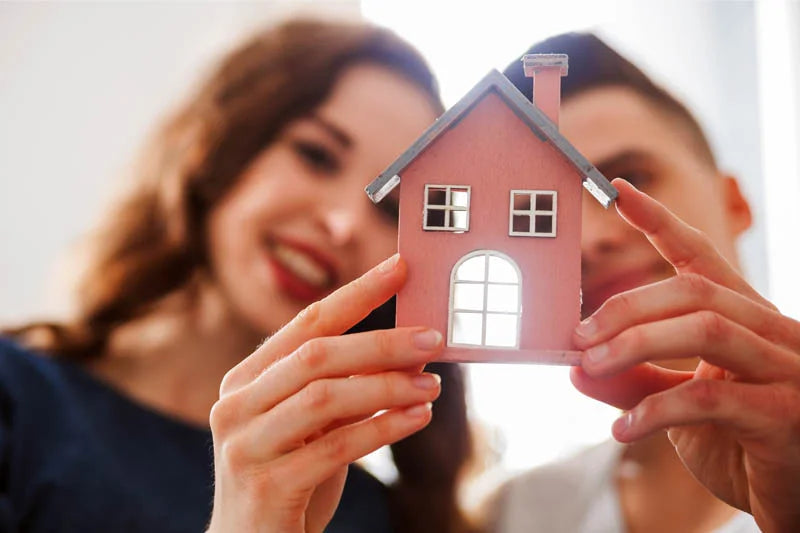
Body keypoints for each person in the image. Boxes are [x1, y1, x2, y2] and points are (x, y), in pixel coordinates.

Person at [0, 18, 474, 533]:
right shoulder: (18, 400)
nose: (341, 225)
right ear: (219, 145)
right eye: (315, 155)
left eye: (391, 210)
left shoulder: (371, 515)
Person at [488, 32, 800, 533]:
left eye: (628, 177)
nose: (586, 239)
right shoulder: (522, 512)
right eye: (543, 214)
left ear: (735, 203)